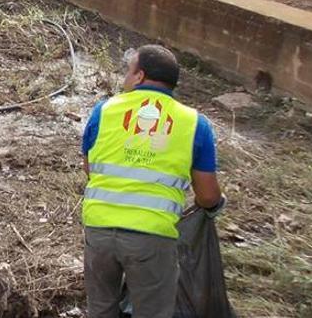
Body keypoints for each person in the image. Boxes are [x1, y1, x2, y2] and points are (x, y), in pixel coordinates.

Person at [80, 45, 225, 318]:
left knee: (101, 310)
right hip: (152, 238)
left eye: (128, 70)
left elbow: (90, 169)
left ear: (139, 76)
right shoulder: (195, 123)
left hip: (98, 230)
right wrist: (214, 206)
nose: (125, 77)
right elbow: (207, 195)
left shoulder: (104, 111)